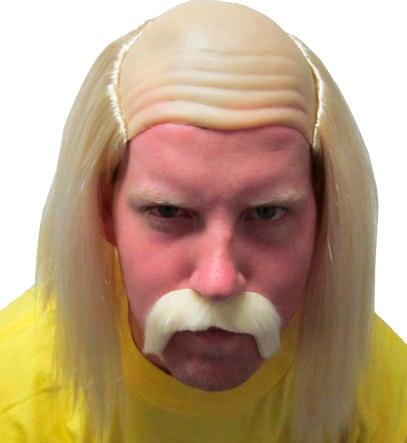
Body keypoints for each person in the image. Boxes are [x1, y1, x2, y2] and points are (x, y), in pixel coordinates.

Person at [0, 1, 406, 442]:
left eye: (266, 213)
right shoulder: (16, 390)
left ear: (324, 214)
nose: (218, 282)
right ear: (104, 210)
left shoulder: (377, 387)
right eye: (168, 212)